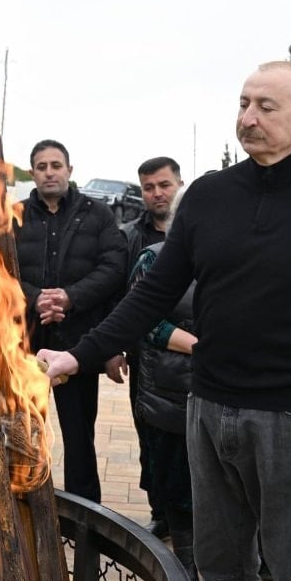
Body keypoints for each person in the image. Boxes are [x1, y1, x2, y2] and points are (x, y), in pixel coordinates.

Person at [36, 60, 291, 581]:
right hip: (207, 409)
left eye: (265, 107)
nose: (248, 118)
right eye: (243, 103)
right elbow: (151, 294)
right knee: (223, 569)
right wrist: (78, 354)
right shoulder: (207, 197)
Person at [14, 139, 127, 503]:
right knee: (23, 430)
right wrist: (38, 299)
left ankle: (85, 514)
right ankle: (29, 504)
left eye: (56, 165)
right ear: (32, 173)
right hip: (25, 343)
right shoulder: (14, 215)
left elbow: (113, 266)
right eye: (42, 166)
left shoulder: (97, 214)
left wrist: (69, 297)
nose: (50, 172)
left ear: (69, 170)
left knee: (80, 438)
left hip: (78, 343)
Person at [129, 184, 201, 581]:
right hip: (170, 392)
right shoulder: (154, 258)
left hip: (218, 392)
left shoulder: (228, 259)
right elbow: (146, 322)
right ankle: (187, 572)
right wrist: (200, 346)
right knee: (177, 490)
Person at [120, 156, 184, 538]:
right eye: (149, 187)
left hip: (191, 369)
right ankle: (160, 509)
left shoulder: (204, 237)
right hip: (145, 361)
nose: (157, 193)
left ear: (178, 184)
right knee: (151, 439)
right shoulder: (131, 237)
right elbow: (122, 299)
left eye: (164, 185)